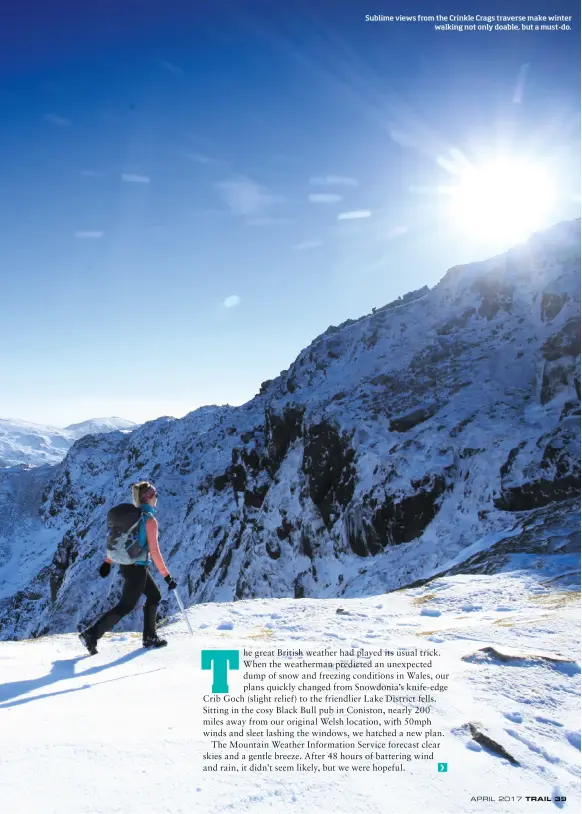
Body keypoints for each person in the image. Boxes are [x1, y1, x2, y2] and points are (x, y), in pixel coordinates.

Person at [79, 481, 177, 654]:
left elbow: (117, 541)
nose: (157, 498)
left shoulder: (133, 518)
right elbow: (154, 551)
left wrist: (108, 562)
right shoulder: (149, 521)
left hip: (127, 566)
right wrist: (167, 576)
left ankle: (150, 637)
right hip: (137, 569)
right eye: (155, 495)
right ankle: (91, 635)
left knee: (154, 596)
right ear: (148, 498)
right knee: (126, 606)